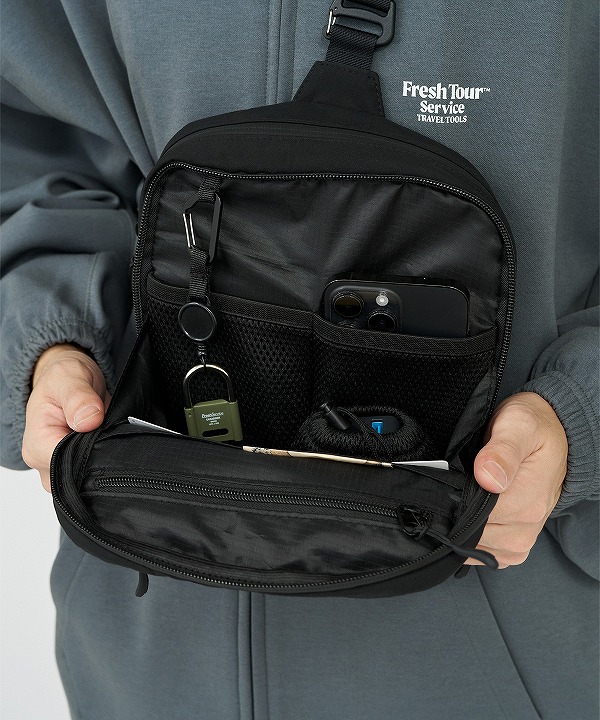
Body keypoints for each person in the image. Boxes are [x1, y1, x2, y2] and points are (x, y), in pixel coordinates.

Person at [2, 1, 598, 718]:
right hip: (145, 645)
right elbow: (29, 136)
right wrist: (53, 337)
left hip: (499, 645)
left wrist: (582, 419)